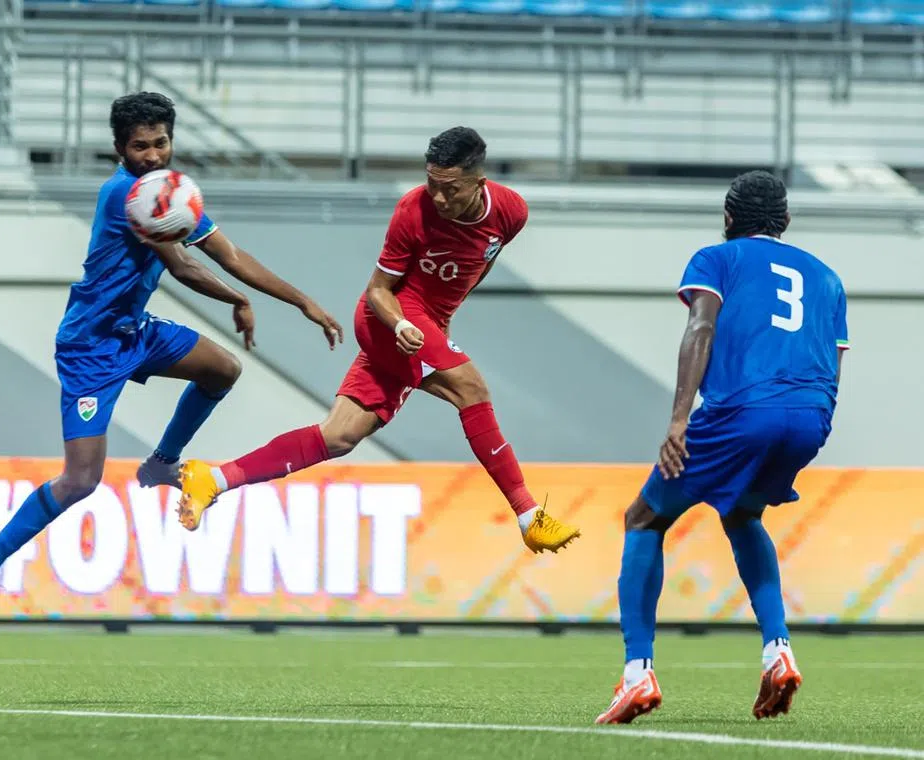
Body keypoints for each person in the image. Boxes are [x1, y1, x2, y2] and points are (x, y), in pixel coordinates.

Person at [0, 92, 343, 633]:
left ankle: (163, 462)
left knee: (222, 369)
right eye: (141, 147)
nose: (154, 155)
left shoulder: (166, 193)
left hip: (133, 331)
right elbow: (182, 267)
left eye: (161, 143)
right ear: (119, 149)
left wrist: (301, 301)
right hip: (90, 346)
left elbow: (230, 255)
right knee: (81, 479)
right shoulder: (127, 197)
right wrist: (238, 300)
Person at [176, 127, 581, 555]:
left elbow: (477, 265)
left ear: (478, 183)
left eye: (450, 190)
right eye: (432, 185)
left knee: (339, 436)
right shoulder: (412, 210)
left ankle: (213, 479)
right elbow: (378, 290)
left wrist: (437, 327)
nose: (439, 199)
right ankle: (527, 514)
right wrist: (405, 326)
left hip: (426, 328)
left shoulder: (512, 213)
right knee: (471, 389)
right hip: (387, 319)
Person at [595, 171, 849, 725]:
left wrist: (679, 419)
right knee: (741, 513)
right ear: (786, 222)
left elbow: (700, 329)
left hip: (742, 412)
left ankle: (637, 674)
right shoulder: (827, 277)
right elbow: (835, 362)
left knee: (643, 519)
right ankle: (778, 650)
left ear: (728, 218)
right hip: (810, 417)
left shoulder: (717, 258)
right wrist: (810, 420)